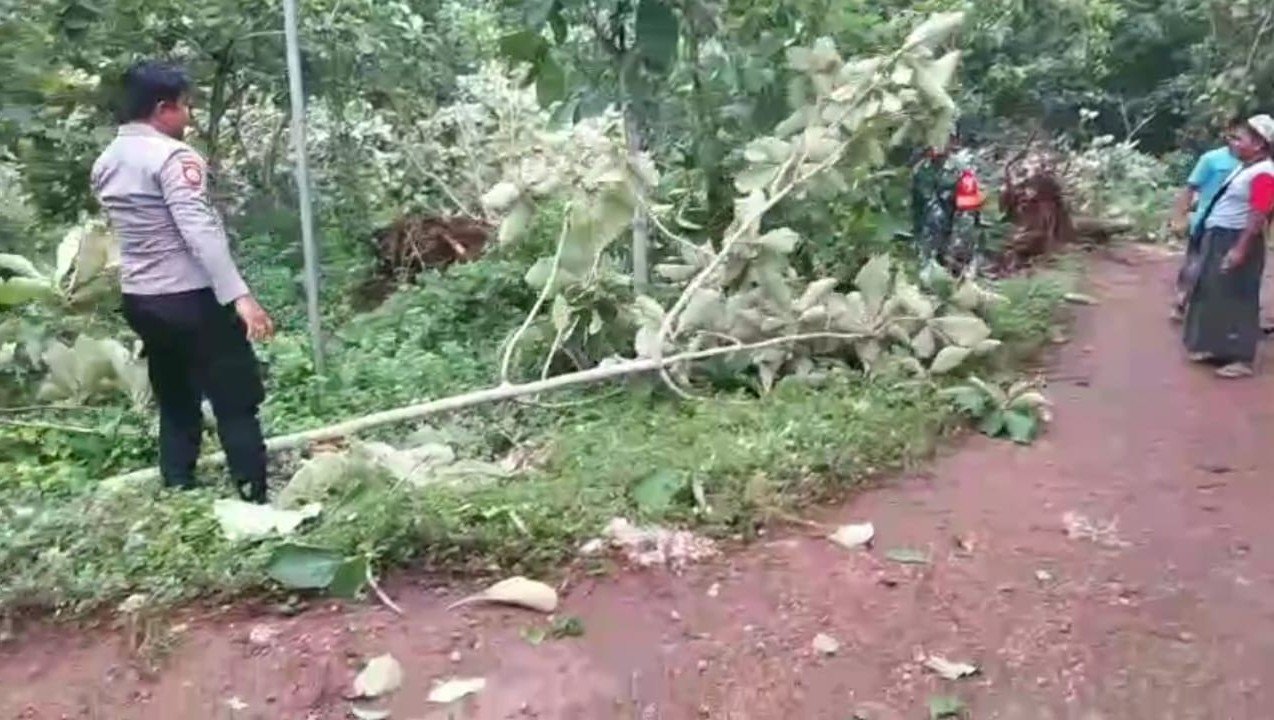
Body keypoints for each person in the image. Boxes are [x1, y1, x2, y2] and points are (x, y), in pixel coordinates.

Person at [91, 61, 275, 501]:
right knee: (235, 400)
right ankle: (254, 496)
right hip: (190, 299)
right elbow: (199, 231)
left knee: (175, 400)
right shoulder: (173, 157)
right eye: (185, 106)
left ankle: (178, 489)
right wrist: (240, 296)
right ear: (162, 109)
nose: (188, 116)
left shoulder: (106, 161)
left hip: (142, 300)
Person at [1181, 114, 1274, 379]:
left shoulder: (1264, 173)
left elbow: (1259, 213)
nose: (1232, 143)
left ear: (1258, 144)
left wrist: (1241, 248)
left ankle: (1241, 358)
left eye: (1239, 138)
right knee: (1216, 291)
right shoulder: (1244, 167)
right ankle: (1219, 348)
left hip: (1236, 237)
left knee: (1239, 296)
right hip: (1221, 234)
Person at [1170, 118, 1243, 321]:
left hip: (1234, 224)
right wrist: (1180, 216)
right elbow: (1190, 187)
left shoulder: (1254, 164)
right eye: (1234, 137)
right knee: (1194, 264)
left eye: (1242, 138)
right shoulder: (1212, 159)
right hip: (1205, 220)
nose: (1237, 142)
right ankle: (1181, 300)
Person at [911, 130, 986, 276]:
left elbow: (968, 215)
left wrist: (956, 251)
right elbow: (916, 210)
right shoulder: (920, 171)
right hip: (927, 237)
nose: (937, 144)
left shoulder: (963, 172)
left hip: (954, 235)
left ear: (952, 142)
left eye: (943, 139)